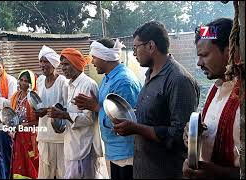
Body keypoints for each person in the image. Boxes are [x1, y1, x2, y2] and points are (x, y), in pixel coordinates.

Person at [112, 21, 200, 178]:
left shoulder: (178, 80)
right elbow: (152, 115)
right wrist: (125, 116)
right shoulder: (150, 74)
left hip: (165, 172)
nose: (134, 53)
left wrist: (136, 128)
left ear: (151, 46)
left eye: (135, 48)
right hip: (143, 169)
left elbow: (180, 135)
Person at [74, 38, 141, 180]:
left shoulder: (123, 81)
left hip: (125, 152)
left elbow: (122, 122)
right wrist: (93, 105)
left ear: (105, 58)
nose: (92, 62)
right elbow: (105, 107)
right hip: (115, 150)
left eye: (95, 58)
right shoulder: (108, 78)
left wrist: (95, 106)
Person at [182, 18, 241, 179]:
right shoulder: (215, 90)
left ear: (230, 53)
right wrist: (194, 133)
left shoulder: (242, 95)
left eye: (205, 55)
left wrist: (218, 174)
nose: (198, 63)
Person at [47, 48, 103, 179]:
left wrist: (64, 115)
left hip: (85, 146)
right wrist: (59, 116)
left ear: (77, 64)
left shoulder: (88, 84)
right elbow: (71, 112)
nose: (63, 68)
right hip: (72, 144)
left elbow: (89, 119)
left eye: (67, 64)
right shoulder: (70, 84)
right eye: (62, 65)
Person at [36, 45, 68, 179]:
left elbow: (67, 109)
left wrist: (49, 111)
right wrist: (38, 111)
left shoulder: (63, 83)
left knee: (62, 171)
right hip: (44, 132)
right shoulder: (40, 80)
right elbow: (38, 102)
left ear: (54, 63)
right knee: (45, 169)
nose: (43, 65)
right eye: (41, 61)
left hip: (59, 135)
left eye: (46, 62)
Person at [9, 70, 39, 179]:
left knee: (31, 162)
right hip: (18, 135)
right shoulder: (16, 96)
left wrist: (26, 125)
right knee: (19, 161)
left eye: (26, 81)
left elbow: (41, 120)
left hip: (31, 137)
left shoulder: (35, 97)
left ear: (32, 83)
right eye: (21, 80)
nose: (23, 83)